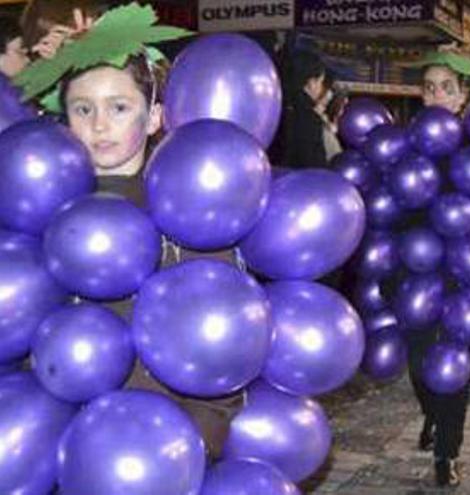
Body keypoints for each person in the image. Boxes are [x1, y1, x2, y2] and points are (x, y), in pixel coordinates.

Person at [18, 4, 240, 458]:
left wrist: (186, 448)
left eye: (119, 107)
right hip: (63, 448)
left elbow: (222, 346)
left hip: (162, 449)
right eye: (83, 108)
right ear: (63, 120)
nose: (100, 125)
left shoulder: (187, 209)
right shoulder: (41, 212)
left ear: (155, 115)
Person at [385, 50, 470, 487]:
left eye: (446, 87)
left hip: (465, 276)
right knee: (421, 366)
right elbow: (389, 215)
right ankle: (431, 415)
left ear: (462, 98)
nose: (436, 94)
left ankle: (447, 453)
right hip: (417, 274)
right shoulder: (405, 147)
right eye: (428, 87)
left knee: (456, 366)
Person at [279, 49, 330, 169]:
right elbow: (315, 164)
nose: (320, 88)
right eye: (320, 82)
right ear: (311, 82)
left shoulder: (281, 109)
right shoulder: (310, 118)